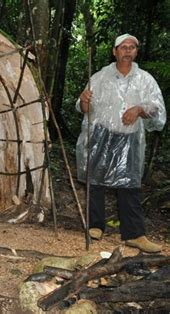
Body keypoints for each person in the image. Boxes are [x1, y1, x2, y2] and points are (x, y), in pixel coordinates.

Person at [76, 34, 166, 253]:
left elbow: (158, 110)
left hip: (130, 137)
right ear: (114, 51)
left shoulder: (145, 79)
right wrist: (84, 102)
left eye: (132, 47)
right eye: (123, 47)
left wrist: (139, 109)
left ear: (136, 52)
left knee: (130, 185)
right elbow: (82, 107)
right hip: (101, 135)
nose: (127, 51)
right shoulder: (100, 77)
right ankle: (95, 226)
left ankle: (135, 234)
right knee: (95, 181)